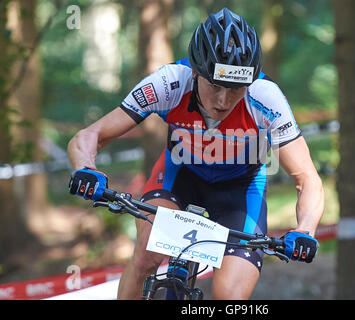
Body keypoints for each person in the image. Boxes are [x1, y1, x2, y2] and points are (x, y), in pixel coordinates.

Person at [67, 7, 324, 300]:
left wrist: (305, 230)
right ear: (195, 71)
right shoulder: (169, 83)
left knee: (229, 295)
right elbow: (90, 135)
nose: (224, 100)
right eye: (214, 86)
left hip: (239, 191)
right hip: (179, 176)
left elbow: (306, 177)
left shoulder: (266, 97)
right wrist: (85, 168)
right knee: (146, 258)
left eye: (236, 88)